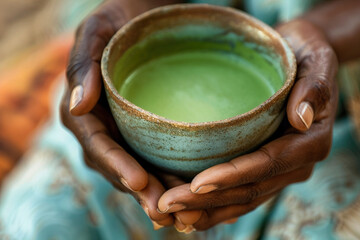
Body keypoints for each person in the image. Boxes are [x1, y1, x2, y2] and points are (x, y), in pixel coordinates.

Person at [1, 0, 360, 239]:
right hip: (127, 114)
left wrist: (324, 33)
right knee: (32, 221)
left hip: (333, 100)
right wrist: (132, 9)